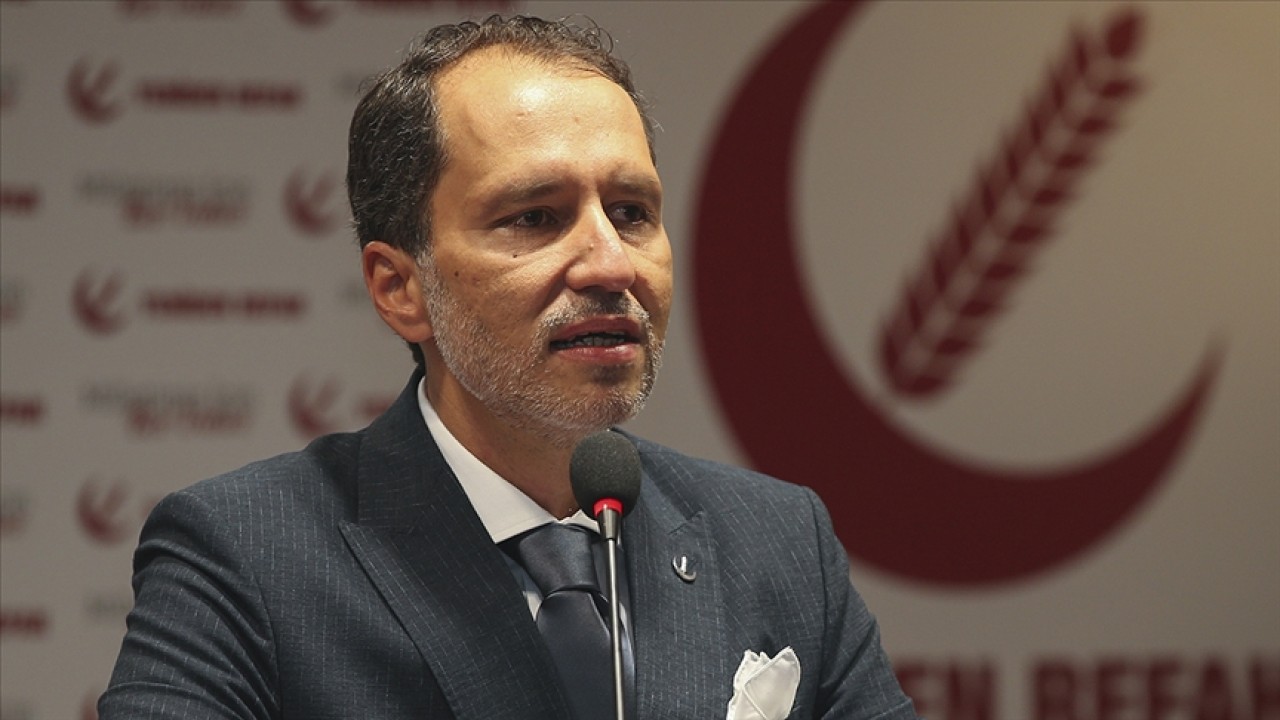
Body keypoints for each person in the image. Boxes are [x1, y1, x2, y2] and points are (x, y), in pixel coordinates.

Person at [100, 14, 919, 720]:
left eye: (631, 212)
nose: (611, 263)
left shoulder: (778, 541)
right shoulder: (244, 553)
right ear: (400, 288)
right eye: (535, 217)